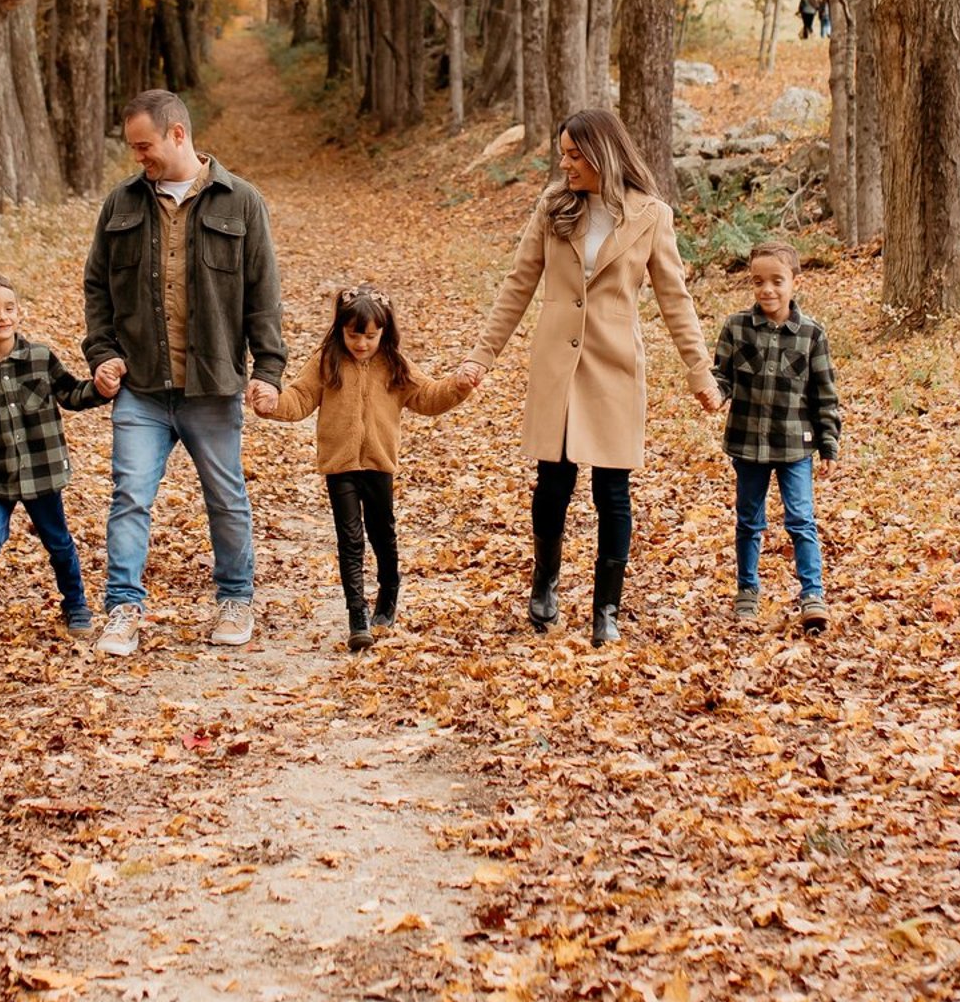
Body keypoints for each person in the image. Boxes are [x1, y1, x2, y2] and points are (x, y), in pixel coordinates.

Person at [459, 107, 718, 648]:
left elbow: (676, 299)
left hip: (615, 364)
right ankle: (545, 583)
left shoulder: (651, 215)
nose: (565, 164)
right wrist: (481, 357)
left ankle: (607, 609)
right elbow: (517, 284)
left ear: (602, 154)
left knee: (612, 489)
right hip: (556, 360)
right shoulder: (553, 206)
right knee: (552, 480)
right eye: (563, 155)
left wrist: (700, 371)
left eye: (575, 155)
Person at [82, 88, 285, 658]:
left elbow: (263, 296)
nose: (137, 157)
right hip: (141, 387)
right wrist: (102, 354)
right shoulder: (120, 205)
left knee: (226, 497)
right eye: (132, 147)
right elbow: (97, 287)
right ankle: (122, 610)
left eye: (144, 145)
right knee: (129, 497)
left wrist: (268, 368)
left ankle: (235, 599)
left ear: (177, 135)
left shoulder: (241, 201)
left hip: (211, 384)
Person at [254, 286, 473, 652]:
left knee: (382, 533)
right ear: (341, 329)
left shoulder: (394, 363)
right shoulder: (327, 360)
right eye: (354, 334)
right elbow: (301, 397)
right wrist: (272, 403)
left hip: (378, 463)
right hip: (339, 465)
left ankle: (388, 596)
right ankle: (357, 614)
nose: (361, 343)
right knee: (350, 539)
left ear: (384, 333)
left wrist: (459, 386)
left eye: (370, 336)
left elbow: (428, 396)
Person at [0, 273, 104, 651]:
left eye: (9, 308)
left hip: (41, 473)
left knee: (58, 542)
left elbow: (70, 392)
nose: (2, 317)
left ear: (19, 313)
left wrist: (100, 389)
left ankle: (76, 605)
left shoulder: (40, 357)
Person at [711, 238, 840, 632]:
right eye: (758, 281)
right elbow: (722, 376)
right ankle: (747, 593)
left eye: (777, 281)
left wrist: (829, 444)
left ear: (794, 283)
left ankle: (812, 594)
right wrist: (714, 394)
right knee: (749, 520)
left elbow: (824, 392)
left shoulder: (812, 334)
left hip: (794, 445)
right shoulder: (736, 327)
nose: (767, 289)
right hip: (748, 442)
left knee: (801, 519)